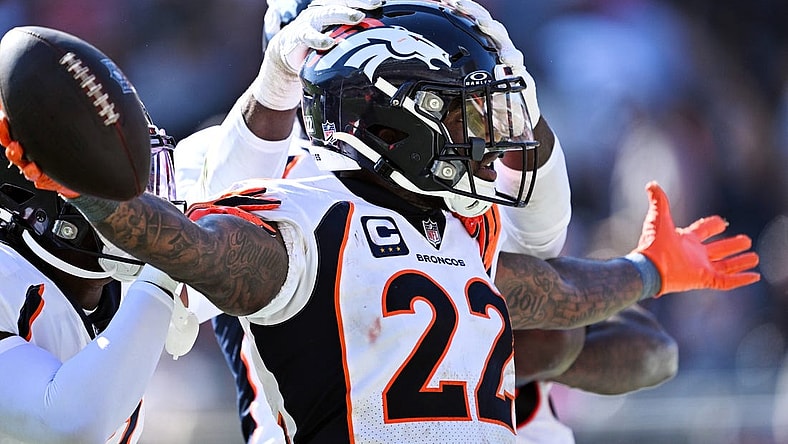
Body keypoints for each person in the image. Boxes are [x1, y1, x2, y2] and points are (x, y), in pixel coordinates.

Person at [3, 2, 759, 442]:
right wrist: (83, 185)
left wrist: (650, 271)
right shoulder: (290, 201)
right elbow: (183, 244)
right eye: (455, 110)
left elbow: (552, 275)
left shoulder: (449, 224)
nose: (479, 133)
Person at [178, 1, 678, 442]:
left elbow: (546, 249)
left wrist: (525, 110)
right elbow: (208, 235)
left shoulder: (441, 169)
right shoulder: (244, 157)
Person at [0, 106, 181, 443]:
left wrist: (276, 86)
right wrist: (166, 268)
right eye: (114, 186)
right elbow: (68, 423)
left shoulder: (119, 286)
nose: (145, 211)